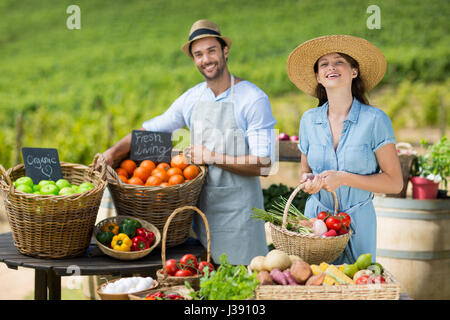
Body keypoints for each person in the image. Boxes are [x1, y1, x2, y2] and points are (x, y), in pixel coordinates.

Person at [102, 20, 276, 265]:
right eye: (198, 54)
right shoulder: (192, 98)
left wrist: (212, 157)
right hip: (200, 217)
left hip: (240, 216)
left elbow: (265, 164)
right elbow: (151, 129)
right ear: (194, 60)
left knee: (242, 288)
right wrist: (112, 152)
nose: (206, 59)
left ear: (225, 51)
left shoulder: (253, 99)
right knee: (202, 289)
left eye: (211, 50)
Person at [286, 35, 403, 264]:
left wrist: (344, 178)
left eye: (339, 61)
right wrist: (308, 181)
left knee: (355, 287)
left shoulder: (375, 120)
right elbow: (305, 171)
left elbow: (395, 182)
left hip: (358, 222)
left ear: (354, 71)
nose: (331, 67)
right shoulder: (309, 120)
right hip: (317, 222)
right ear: (319, 77)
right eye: (324, 64)